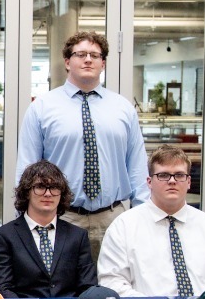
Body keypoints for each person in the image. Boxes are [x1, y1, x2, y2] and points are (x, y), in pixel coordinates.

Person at [15, 31, 149, 264]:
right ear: (68, 62)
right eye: (81, 54)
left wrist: (143, 215)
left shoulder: (123, 108)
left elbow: (136, 164)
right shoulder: (42, 108)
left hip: (113, 218)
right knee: (61, 292)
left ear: (103, 63)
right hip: (61, 218)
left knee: (112, 293)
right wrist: (25, 218)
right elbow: (27, 166)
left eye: (95, 55)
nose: (88, 60)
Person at [97, 146, 205, 298]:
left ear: (188, 182)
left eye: (179, 175)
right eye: (163, 175)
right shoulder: (123, 227)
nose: (172, 181)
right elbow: (112, 282)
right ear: (149, 182)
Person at [0, 160, 96, 299]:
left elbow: (87, 286)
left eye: (54, 187)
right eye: (40, 187)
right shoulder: (3, 236)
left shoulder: (78, 236)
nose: (48, 194)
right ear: (27, 192)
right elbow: (3, 288)